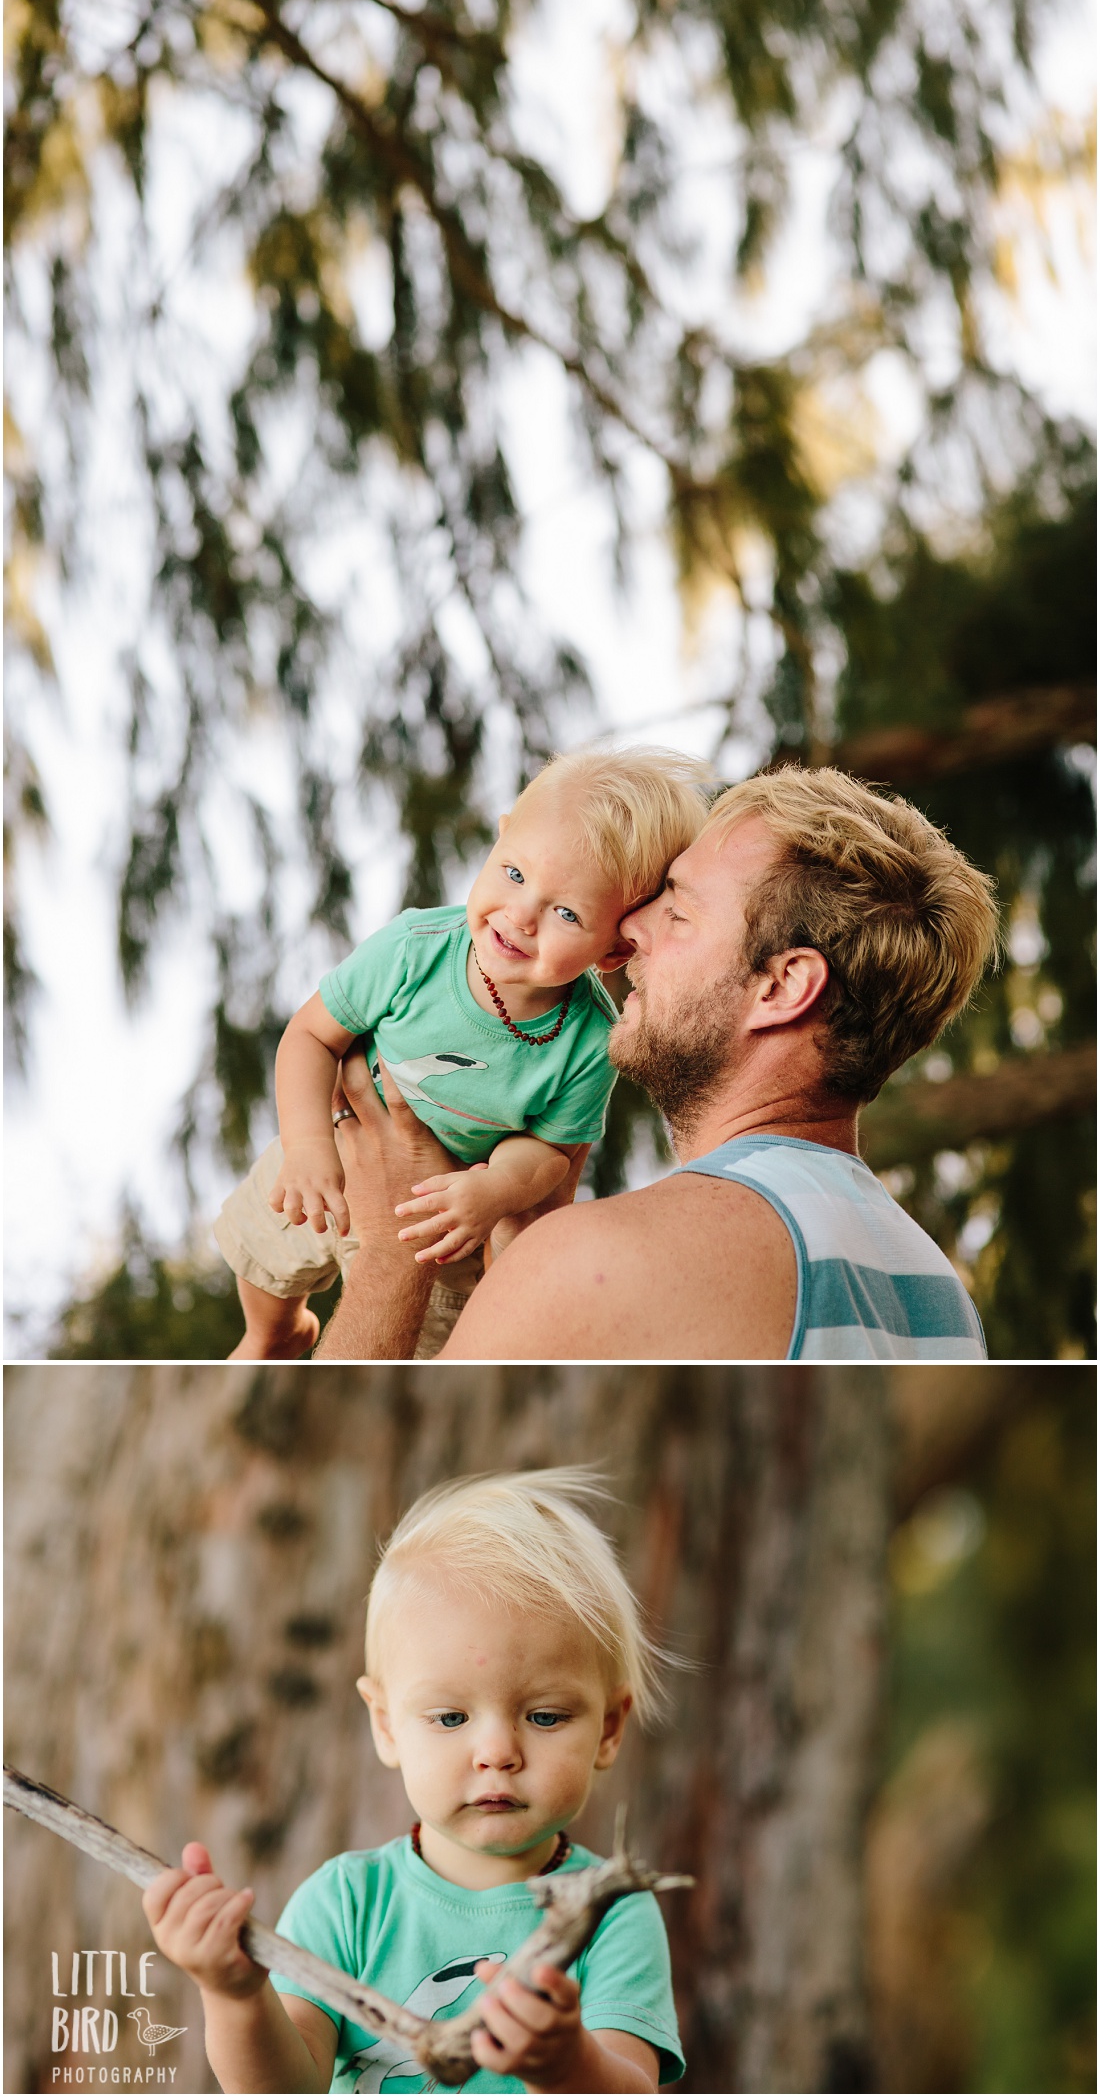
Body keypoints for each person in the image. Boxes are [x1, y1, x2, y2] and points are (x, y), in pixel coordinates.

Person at [142, 1467, 685, 2096]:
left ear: (610, 1729)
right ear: (387, 1726)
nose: (497, 1753)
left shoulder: (611, 1914)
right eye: (451, 1717)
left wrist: (566, 2066)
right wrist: (234, 1996)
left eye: (544, 1716)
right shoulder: (346, 1904)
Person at [426, 768, 999, 1364]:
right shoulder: (948, 1306)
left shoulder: (601, 1259)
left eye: (677, 913)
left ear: (781, 986)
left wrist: (388, 1247)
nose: (630, 927)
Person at [214, 748, 709, 1360]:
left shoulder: (588, 1042)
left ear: (613, 952)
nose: (521, 916)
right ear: (500, 839)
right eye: (516, 873)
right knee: (266, 1254)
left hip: (444, 1213)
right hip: (337, 1156)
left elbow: (551, 1152)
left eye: (567, 913)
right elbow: (312, 1037)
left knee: (418, 1342)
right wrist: (308, 1147)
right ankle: (275, 1332)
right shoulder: (413, 951)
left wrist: (496, 1191)